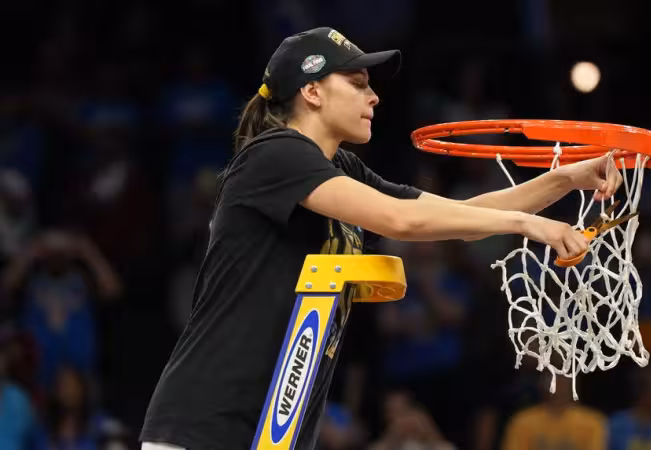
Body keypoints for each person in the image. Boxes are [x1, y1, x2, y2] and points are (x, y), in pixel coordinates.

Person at [140, 26, 623, 450]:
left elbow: (463, 214)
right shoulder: (274, 154)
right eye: (358, 83)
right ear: (312, 91)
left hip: (271, 426)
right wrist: (527, 226)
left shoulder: (340, 167)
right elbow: (400, 220)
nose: (374, 97)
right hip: (208, 420)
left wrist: (565, 178)